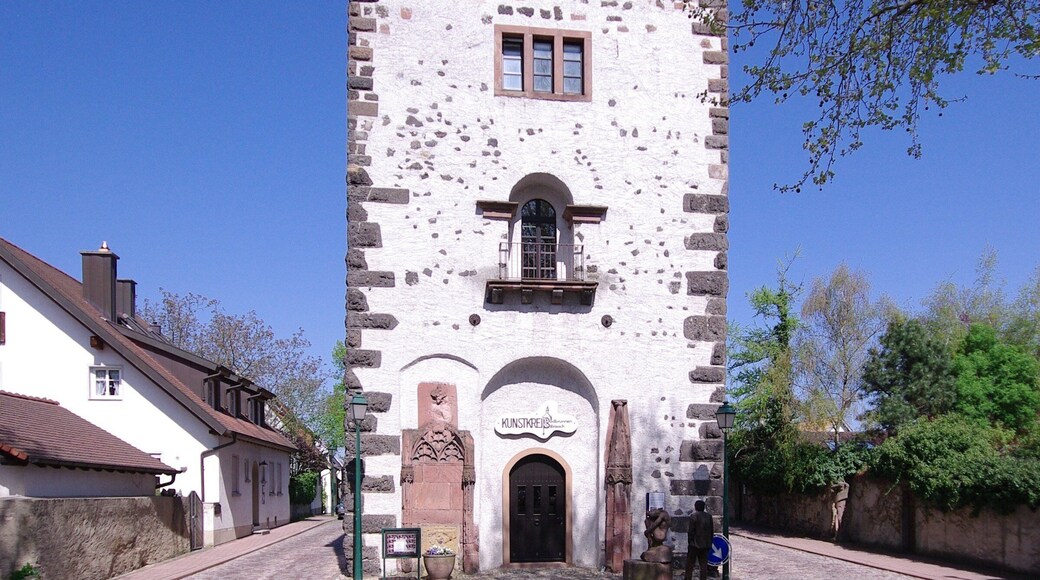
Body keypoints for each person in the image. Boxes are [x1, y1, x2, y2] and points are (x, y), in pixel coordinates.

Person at [685, 500, 715, 580]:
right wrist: (710, 542)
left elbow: (691, 531)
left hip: (694, 544)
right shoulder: (709, 516)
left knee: (690, 564)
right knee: (703, 564)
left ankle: (687, 578)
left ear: (695, 507)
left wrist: (690, 542)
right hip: (705, 544)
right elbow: (711, 531)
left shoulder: (694, 516)